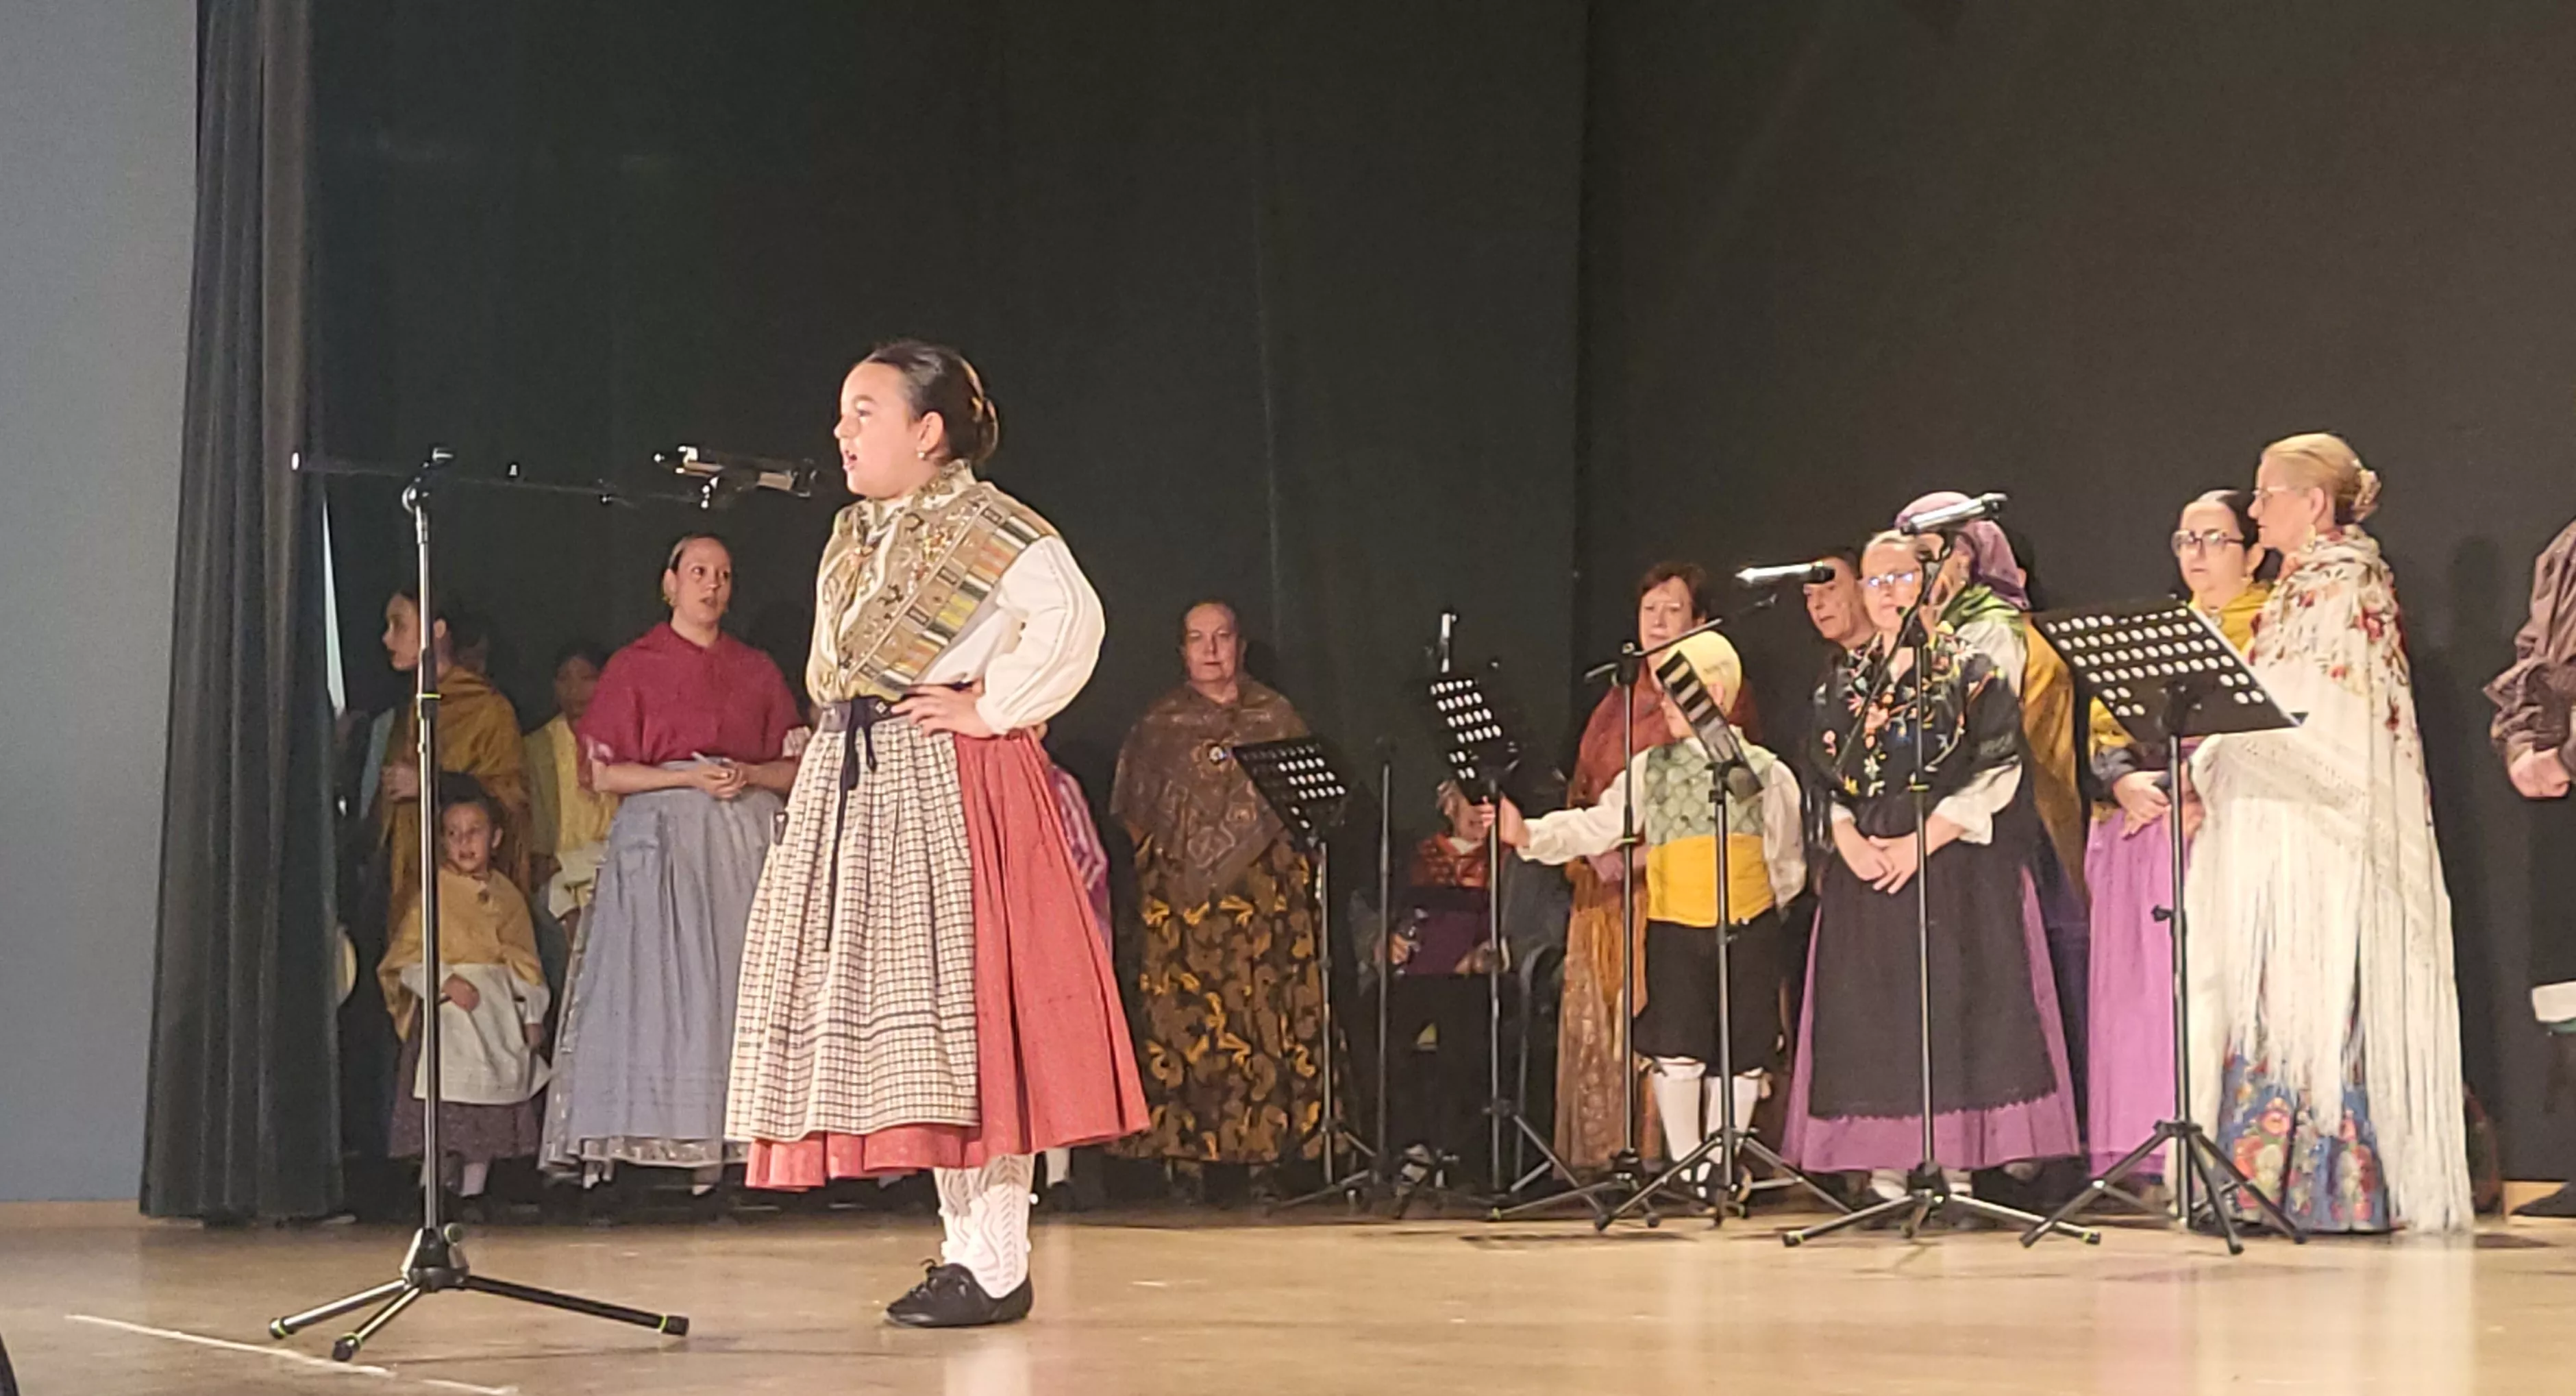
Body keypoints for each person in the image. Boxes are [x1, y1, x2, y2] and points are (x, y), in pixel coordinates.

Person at [726, 342, 1145, 1327]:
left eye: (865, 411)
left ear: (930, 430)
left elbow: (1073, 621)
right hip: (863, 780)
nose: (843, 431)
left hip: (950, 783)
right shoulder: (855, 532)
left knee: (974, 1022)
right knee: (917, 1036)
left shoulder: (998, 529)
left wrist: (994, 705)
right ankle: (968, 1251)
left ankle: (995, 1260)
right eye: (843, 412)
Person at [2186, 433, 2471, 1233]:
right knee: (2274, 998)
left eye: (2266, 493)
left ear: (2312, 504)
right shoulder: (2296, 589)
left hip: (2323, 836)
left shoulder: (2344, 589)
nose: (2253, 509)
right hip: (2281, 829)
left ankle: (2322, 1187)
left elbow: (2327, 719)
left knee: (2315, 997)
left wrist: (2225, 749)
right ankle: (2260, 1182)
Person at [1783, 532, 2079, 1203]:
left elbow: (1999, 767)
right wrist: (1850, 842)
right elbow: (1820, 776)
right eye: (1877, 582)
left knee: (1953, 1003)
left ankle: (1956, 1163)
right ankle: (1885, 1166)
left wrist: (1922, 843)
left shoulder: (1969, 669)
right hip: (1868, 866)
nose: (1888, 594)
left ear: (1927, 585)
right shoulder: (1842, 682)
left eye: (1901, 579)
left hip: (1950, 867)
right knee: (1875, 1010)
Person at [540, 535, 802, 1192]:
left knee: (735, 990)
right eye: (698, 573)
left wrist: (746, 774)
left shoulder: (755, 668)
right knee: (659, 988)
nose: (711, 586)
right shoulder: (636, 664)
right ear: (670, 583)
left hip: (741, 844)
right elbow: (602, 770)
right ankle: (654, 1153)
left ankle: (740, 1152)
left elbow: (796, 765)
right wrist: (683, 781)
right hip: (662, 843)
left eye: (722, 575)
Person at [1502, 633, 1805, 1191]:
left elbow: (1784, 856)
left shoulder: (1765, 772)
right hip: (1674, 928)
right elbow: (1600, 823)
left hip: (1748, 928)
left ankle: (1723, 1157)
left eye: (1671, 693)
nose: (1661, 705)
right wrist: (1532, 835)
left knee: (1743, 1049)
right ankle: (1690, 1162)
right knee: (1677, 1046)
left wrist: (1764, 908)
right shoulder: (1652, 769)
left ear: (1710, 689)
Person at [2082, 491, 2271, 1183]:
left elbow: (2273, 729)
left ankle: (2223, 1149)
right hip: (2147, 824)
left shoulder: (2275, 624)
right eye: (2185, 539)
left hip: (2223, 822)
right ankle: (2147, 1149)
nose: (2196, 554)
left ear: (2253, 552)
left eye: (2214, 539)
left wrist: (2198, 784)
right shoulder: (2160, 629)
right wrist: (2123, 783)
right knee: (2142, 1001)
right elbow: (2107, 729)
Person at [1112, 601, 1326, 1188]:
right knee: (1182, 1024)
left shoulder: (1275, 717)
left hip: (1261, 902)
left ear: (1241, 645)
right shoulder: (1158, 727)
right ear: (1180, 649)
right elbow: (1134, 817)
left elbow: (1305, 810)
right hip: (1181, 910)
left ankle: (1266, 1154)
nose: (1210, 650)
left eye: (1222, 637)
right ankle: (1185, 1159)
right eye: (1197, 639)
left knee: (1261, 1020)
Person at [1555, 563, 1757, 1171]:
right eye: (1650, 610)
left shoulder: (1720, 694)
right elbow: (1587, 788)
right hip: (1604, 897)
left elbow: (1730, 801)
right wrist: (1589, 849)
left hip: (1673, 892)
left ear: (1700, 621)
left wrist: (1640, 854)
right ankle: (1614, 1157)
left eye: (1674, 610)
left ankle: (1688, 1162)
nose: (1660, 622)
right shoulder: (1615, 701)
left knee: (1677, 1033)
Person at [382, 774, 550, 1213]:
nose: (464, 843)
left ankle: (476, 1190)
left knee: (487, 1113)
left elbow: (524, 960)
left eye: (473, 832)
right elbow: (406, 959)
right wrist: (443, 982)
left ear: (494, 838)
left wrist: (532, 1014)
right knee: (446, 1109)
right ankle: (431, 1190)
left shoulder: (508, 897)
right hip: (449, 1021)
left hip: (494, 1021)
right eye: (453, 835)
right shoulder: (432, 893)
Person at [2489, 515, 2576, 1216]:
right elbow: (2530, 657)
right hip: (2557, 784)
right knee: (2568, 976)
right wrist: (2522, 747)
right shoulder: (2563, 549)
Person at [380, 588, 532, 902]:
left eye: (400, 625)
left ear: (437, 629)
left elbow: (510, 797)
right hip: (406, 878)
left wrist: (432, 784)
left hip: (464, 891)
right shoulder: (410, 708)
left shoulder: (488, 709)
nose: (387, 639)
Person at [523, 639, 619, 931]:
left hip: (609, 865)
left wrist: (567, 862)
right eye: (565, 679)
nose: (574, 690)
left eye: (587, 678)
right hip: (555, 877)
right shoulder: (538, 746)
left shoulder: (625, 740)